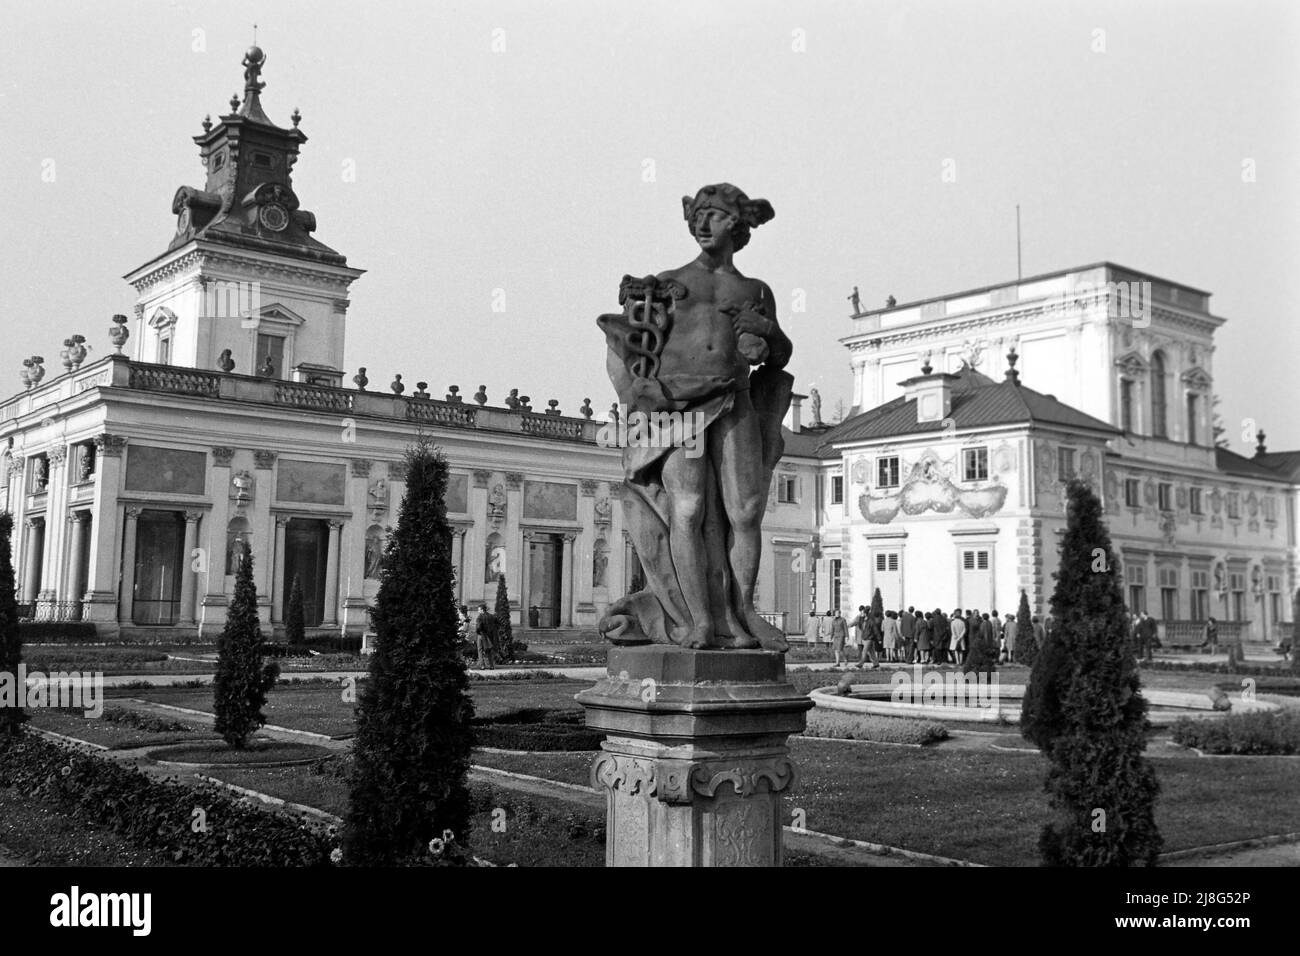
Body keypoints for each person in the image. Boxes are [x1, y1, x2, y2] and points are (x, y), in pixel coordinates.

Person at [596, 183, 791, 650]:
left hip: (734, 401)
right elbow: (633, 346)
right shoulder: (666, 282)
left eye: (716, 215)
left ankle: (742, 613)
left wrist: (766, 332)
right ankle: (698, 621)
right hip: (677, 408)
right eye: (698, 215)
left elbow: (779, 356)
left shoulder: (755, 290)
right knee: (687, 508)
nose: (703, 224)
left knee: (745, 510)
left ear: (739, 225)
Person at [475, 603, 498, 669]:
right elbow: (497, 624)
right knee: (488, 650)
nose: (478, 611)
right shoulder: (491, 616)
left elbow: (478, 627)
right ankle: (491, 666)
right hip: (489, 635)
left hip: (481, 635)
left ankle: (482, 665)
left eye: (479, 609)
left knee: (480, 650)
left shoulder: (480, 617)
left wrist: (478, 632)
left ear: (482, 610)